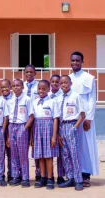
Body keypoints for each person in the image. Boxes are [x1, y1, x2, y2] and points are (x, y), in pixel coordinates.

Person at [69, 51, 99, 187]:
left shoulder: (89, 78)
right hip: (71, 117)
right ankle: (73, 174)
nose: (75, 63)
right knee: (73, 146)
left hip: (85, 117)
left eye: (77, 61)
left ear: (82, 62)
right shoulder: (68, 78)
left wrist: (89, 118)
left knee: (85, 146)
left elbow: (92, 99)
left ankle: (85, 175)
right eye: (73, 61)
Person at [57, 75, 85, 191]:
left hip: (72, 125)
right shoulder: (58, 98)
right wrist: (58, 131)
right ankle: (70, 178)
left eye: (66, 82)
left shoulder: (76, 96)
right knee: (65, 154)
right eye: (62, 83)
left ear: (71, 83)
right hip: (61, 126)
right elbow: (57, 116)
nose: (64, 85)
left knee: (74, 154)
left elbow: (82, 115)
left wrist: (75, 127)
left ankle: (79, 180)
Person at [31, 80, 59, 190]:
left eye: (43, 89)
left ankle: (50, 178)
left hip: (48, 129)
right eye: (39, 89)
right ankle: (42, 177)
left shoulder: (52, 102)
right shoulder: (34, 102)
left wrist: (54, 136)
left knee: (48, 155)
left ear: (48, 89)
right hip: (37, 129)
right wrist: (31, 136)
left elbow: (55, 119)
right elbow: (32, 119)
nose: (41, 91)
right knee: (40, 156)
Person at [7, 79, 34, 187]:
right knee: (13, 154)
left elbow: (31, 117)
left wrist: (24, 128)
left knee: (23, 154)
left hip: (22, 125)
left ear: (22, 87)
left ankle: (25, 177)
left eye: (18, 85)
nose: (16, 87)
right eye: (13, 85)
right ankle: (15, 176)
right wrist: (9, 134)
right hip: (12, 126)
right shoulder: (10, 100)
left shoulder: (27, 99)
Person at [23, 64, 41, 181]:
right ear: (24, 73)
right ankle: (21, 174)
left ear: (35, 73)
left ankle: (39, 173)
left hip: (35, 119)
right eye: (27, 72)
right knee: (23, 148)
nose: (29, 74)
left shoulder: (39, 86)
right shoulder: (21, 85)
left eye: (31, 72)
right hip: (23, 120)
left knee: (36, 146)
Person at [49, 75, 65, 184]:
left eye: (57, 82)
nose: (55, 83)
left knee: (60, 152)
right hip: (47, 126)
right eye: (53, 81)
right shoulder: (47, 95)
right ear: (50, 82)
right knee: (48, 152)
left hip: (60, 125)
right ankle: (47, 175)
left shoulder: (62, 96)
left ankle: (60, 176)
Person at [0, 79, 13, 182]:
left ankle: (11, 174)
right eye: (2, 87)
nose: (4, 89)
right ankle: (1, 175)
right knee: (0, 153)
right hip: (0, 128)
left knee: (11, 153)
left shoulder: (14, 99)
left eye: (6, 86)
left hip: (11, 128)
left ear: (10, 87)